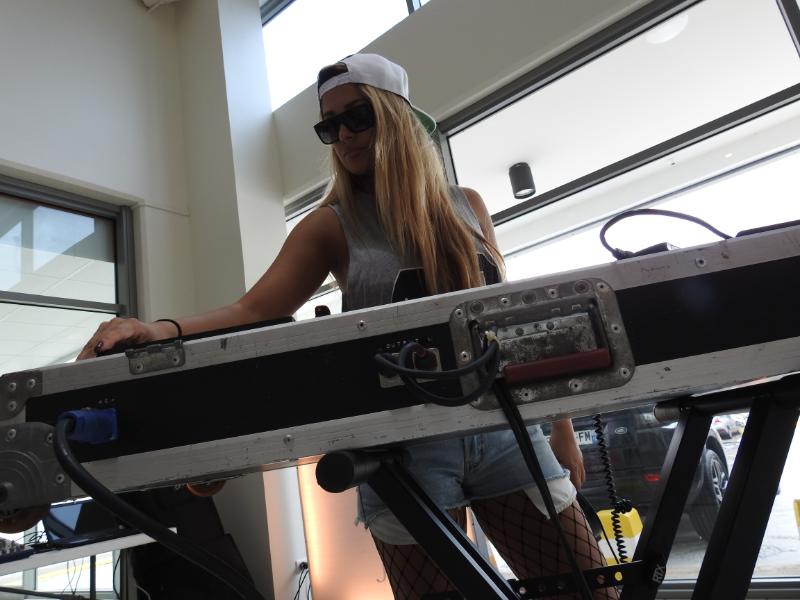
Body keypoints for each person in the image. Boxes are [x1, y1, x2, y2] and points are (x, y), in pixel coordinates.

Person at [78, 53, 616, 600]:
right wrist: (158, 329)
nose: (343, 135)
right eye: (329, 126)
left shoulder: (467, 206)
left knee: (590, 592)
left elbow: (508, 324)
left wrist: (560, 424)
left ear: (398, 116)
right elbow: (252, 311)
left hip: (503, 427)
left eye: (357, 116)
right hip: (405, 447)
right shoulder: (331, 225)